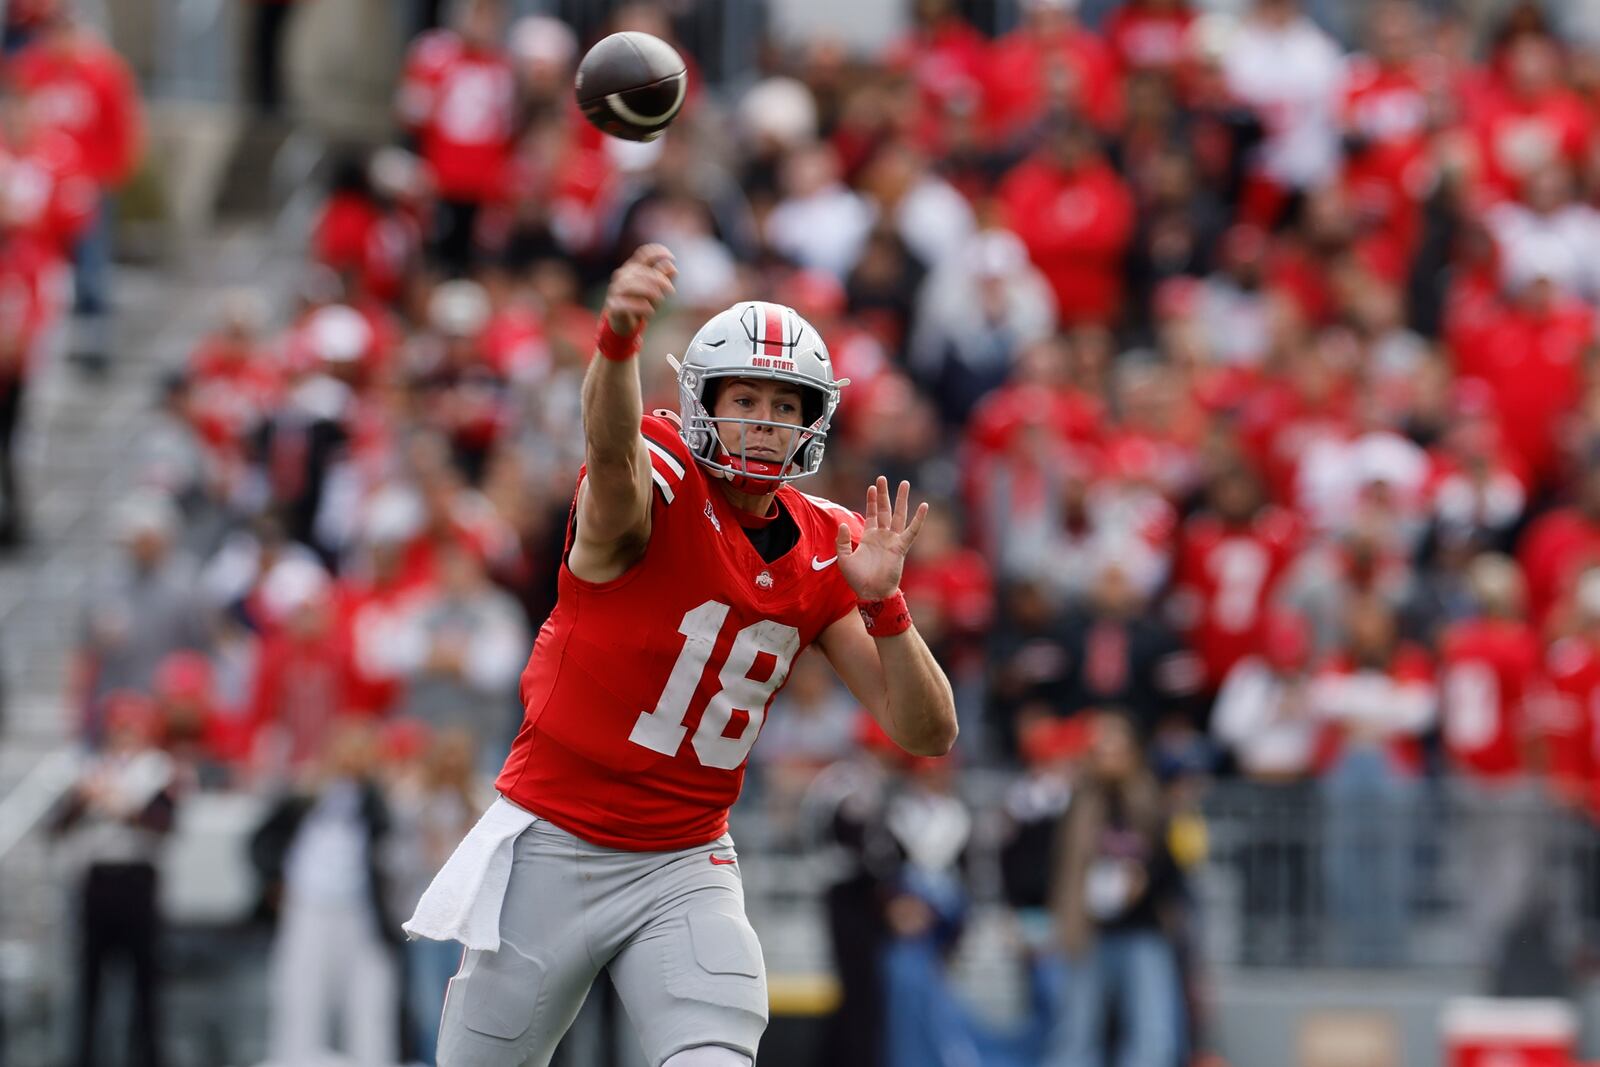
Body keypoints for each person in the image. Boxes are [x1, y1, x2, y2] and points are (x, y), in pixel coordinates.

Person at [406, 244, 959, 1067]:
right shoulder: (655, 474)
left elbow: (926, 731)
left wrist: (886, 606)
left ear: (814, 418)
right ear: (702, 400)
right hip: (556, 839)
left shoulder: (830, 542)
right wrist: (618, 342)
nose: (765, 422)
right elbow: (613, 454)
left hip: (684, 856)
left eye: (785, 403)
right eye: (745, 399)